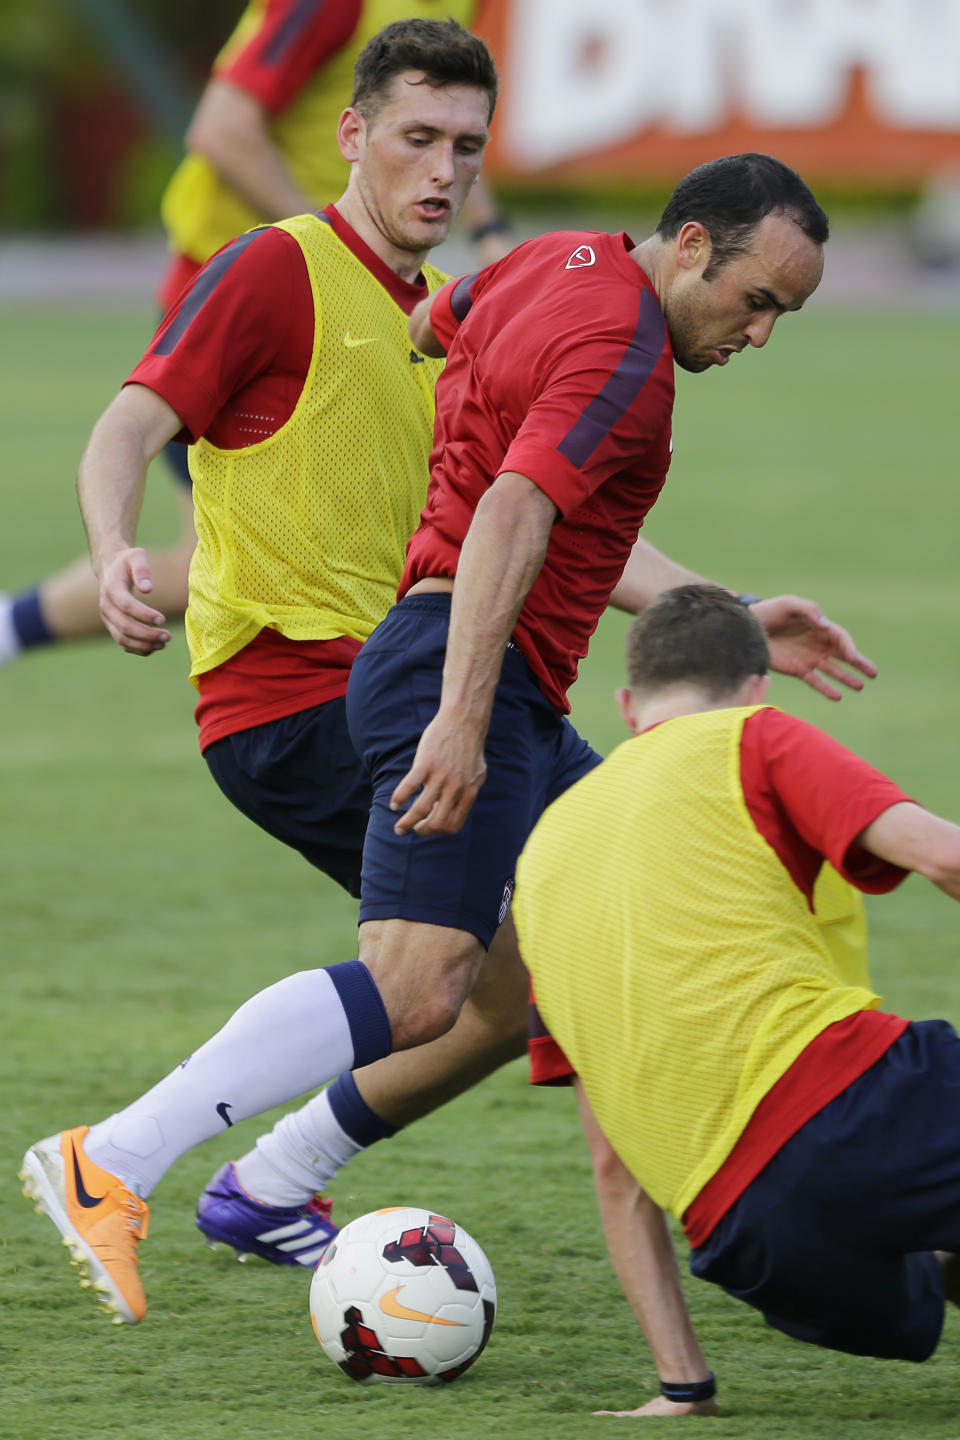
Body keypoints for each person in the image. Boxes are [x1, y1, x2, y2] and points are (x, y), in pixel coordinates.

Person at [21, 152, 874, 1327]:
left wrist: (725, 617)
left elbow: (436, 327)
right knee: (422, 986)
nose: (761, 333)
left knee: (563, 957)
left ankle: (272, 1183)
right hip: (464, 675)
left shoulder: (541, 267)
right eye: (758, 301)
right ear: (689, 246)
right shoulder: (626, 355)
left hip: (478, 677)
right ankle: (110, 1157)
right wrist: (464, 718)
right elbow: (518, 510)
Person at [514, 584, 960, 1416]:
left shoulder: (540, 862)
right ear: (756, 686)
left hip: (755, 1237)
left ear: (626, 706)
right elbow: (943, 858)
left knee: (916, 1269)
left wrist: (682, 1387)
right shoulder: (753, 736)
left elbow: (614, 1168)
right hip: (856, 1102)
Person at [0, 0, 509, 670]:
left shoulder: (441, 17)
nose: (445, 163)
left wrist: (489, 237)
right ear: (351, 134)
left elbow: (440, 127)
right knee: (230, 564)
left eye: (464, 148)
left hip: (363, 291)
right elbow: (221, 127)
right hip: (256, 304)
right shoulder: (329, 6)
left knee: (360, 537)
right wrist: (338, 257)